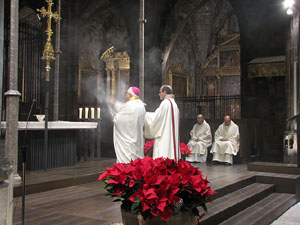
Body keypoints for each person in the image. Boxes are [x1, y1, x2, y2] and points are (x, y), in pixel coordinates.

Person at [106, 87, 146, 163]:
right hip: (137, 137)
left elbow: (117, 119)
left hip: (128, 139)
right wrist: (114, 102)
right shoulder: (140, 104)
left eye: (126, 93)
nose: (125, 95)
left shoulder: (129, 106)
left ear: (130, 95)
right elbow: (123, 109)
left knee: (128, 161)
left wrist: (110, 108)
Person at [144, 85, 180, 160]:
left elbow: (157, 118)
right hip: (170, 133)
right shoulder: (174, 104)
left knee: (163, 153)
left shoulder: (165, 103)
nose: (159, 94)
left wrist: (146, 115)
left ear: (165, 92)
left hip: (165, 134)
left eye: (160, 92)